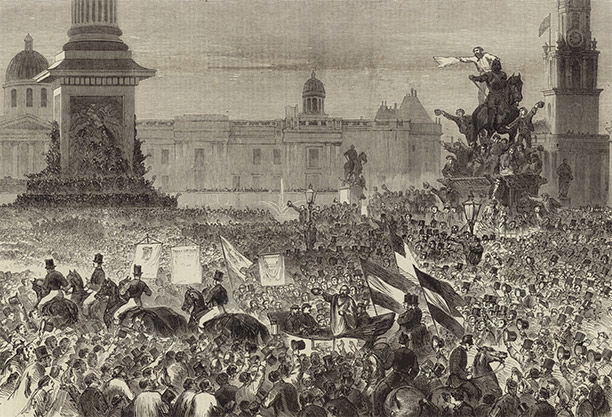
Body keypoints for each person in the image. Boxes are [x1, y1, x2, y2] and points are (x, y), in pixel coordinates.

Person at [469, 59, 508, 131]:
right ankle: (490, 126)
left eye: (498, 64)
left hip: (502, 96)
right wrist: (474, 78)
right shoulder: (488, 74)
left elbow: (505, 84)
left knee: (506, 109)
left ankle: (503, 125)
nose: (497, 66)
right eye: (495, 64)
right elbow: (481, 78)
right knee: (491, 109)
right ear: (492, 66)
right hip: (492, 96)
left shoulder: (503, 74)